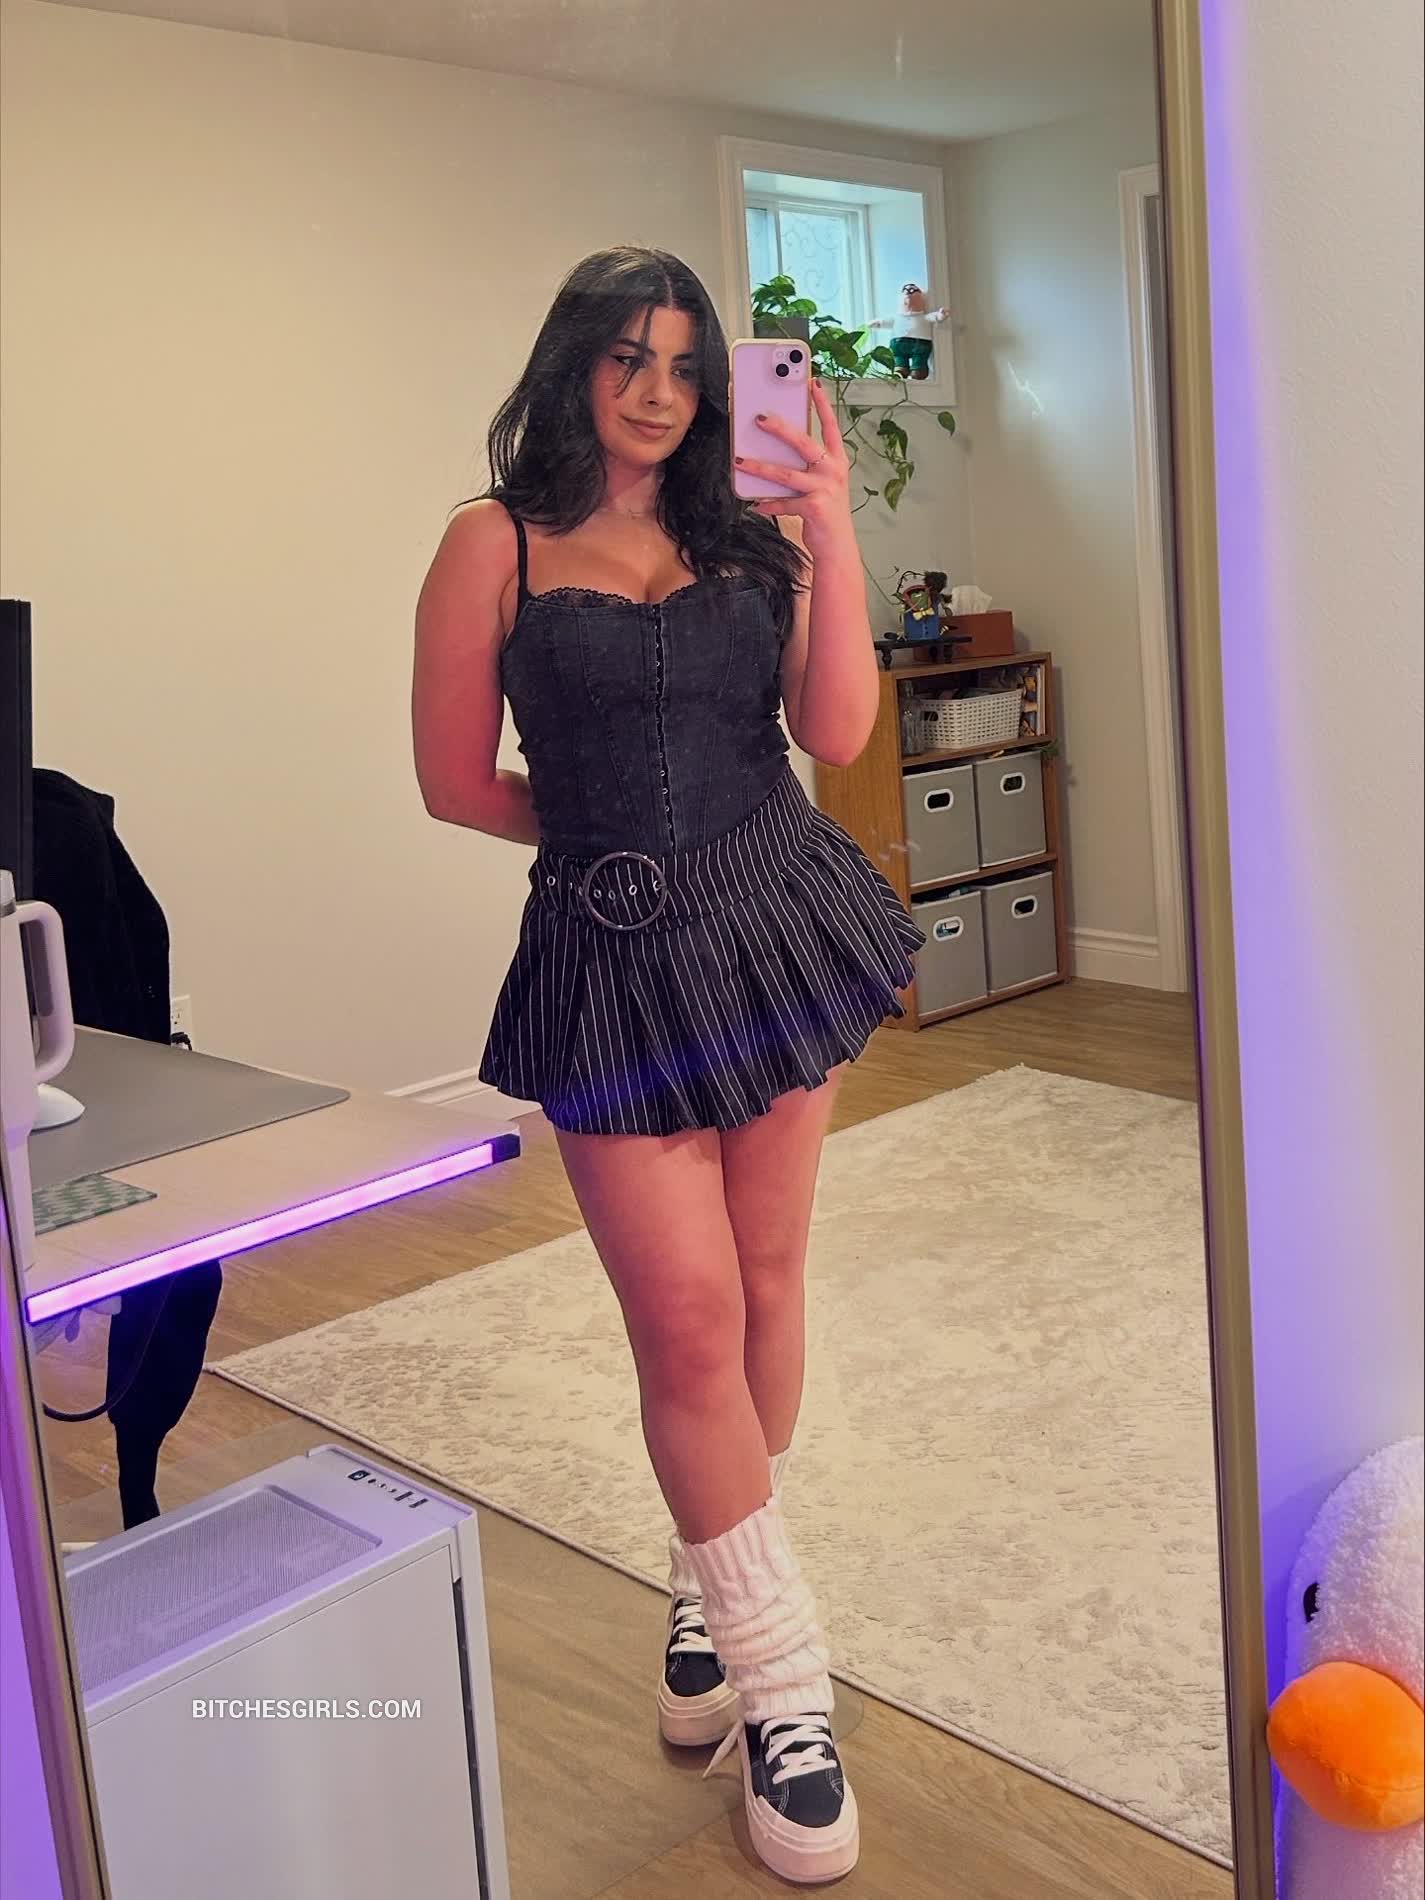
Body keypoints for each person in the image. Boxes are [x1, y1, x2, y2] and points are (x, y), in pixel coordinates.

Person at [412, 246, 921, 1885]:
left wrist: (829, 524)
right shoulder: (489, 542)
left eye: (687, 364)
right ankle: (784, 1688)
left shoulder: (750, 532)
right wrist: (610, 843)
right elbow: (452, 780)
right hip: (610, 956)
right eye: (626, 356)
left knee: (764, 1287)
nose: (656, 391)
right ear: (570, 362)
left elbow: (833, 736)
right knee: (684, 1321)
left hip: (776, 918)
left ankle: (713, 1587)